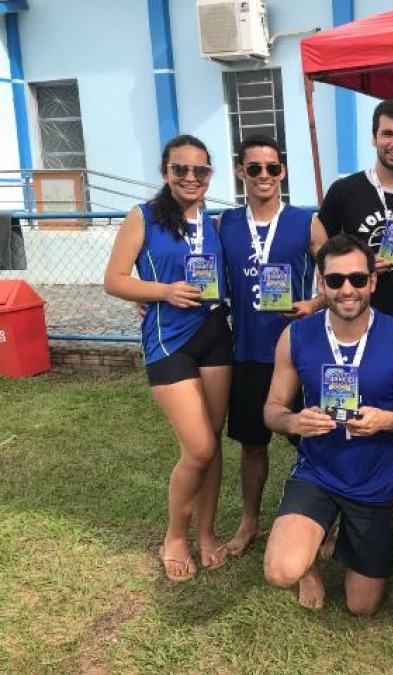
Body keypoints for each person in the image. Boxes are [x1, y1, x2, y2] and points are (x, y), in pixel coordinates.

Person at [262, 234, 393, 614]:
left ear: (372, 281)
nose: (346, 289)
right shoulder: (295, 335)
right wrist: (293, 421)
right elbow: (271, 409)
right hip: (317, 473)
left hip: (374, 482)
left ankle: (342, 533)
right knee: (281, 570)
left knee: (362, 607)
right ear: (321, 283)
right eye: (335, 279)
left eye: (357, 279)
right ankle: (309, 564)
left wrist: (387, 420)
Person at [104, 135, 232, 581]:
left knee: (213, 442)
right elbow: (114, 280)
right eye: (181, 169)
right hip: (167, 341)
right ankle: (175, 536)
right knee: (198, 446)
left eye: (200, 170)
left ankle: (207, 533)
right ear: (166, 172)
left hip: (215, 335)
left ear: (209, 175)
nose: (191, 177)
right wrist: (161, 292)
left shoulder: (213, 223)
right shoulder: (142, 217)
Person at [315, 97, 393, 534]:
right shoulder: (345, 190)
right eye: (388, 133)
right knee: (337, 409)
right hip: (346, 321)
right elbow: (319, 244)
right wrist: (348, 273)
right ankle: (332, 506)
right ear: (374, 138)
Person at [218, 135, 327, 555]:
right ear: (240, 172)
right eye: (254, 168)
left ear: (283, 172)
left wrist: (314, 303)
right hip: (247, 353)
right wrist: (150, 299)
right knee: (252, 444)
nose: (264, 175)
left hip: (299, 352)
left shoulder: (306, 222)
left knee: (314, 440)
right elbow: (201, 274)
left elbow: (337, 275)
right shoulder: (225, 224)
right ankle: (249, 522)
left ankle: (324, 521)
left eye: (272, 167)